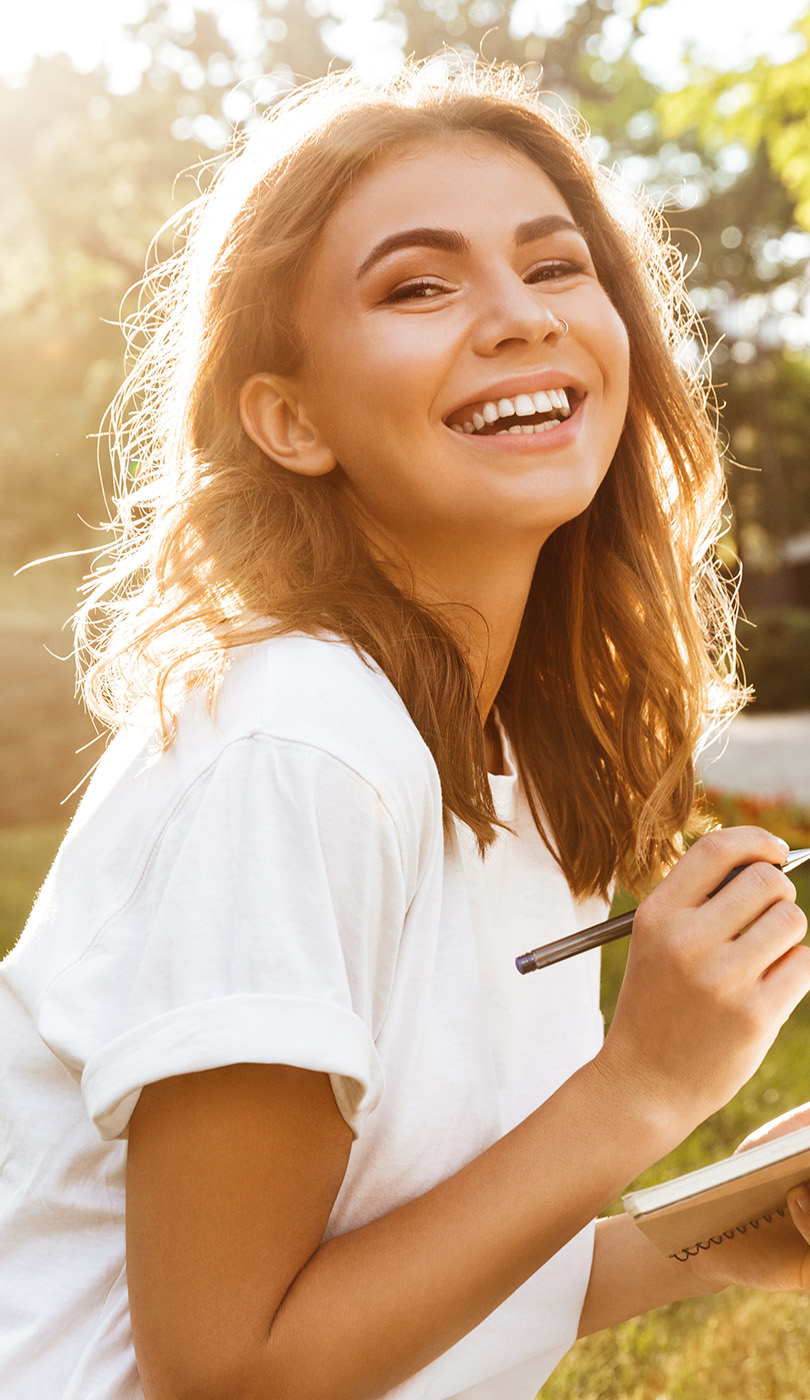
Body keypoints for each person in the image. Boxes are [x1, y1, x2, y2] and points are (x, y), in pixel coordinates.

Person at [1, 58, 809, 1400]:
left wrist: (716, 1230)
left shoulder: (506, 764)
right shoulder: (296, 744)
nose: (515, 317)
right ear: (290, 419)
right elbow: (230, 1371)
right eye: (418, 287)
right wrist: (643, 1088)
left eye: (555, 269)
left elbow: (392, 1288)